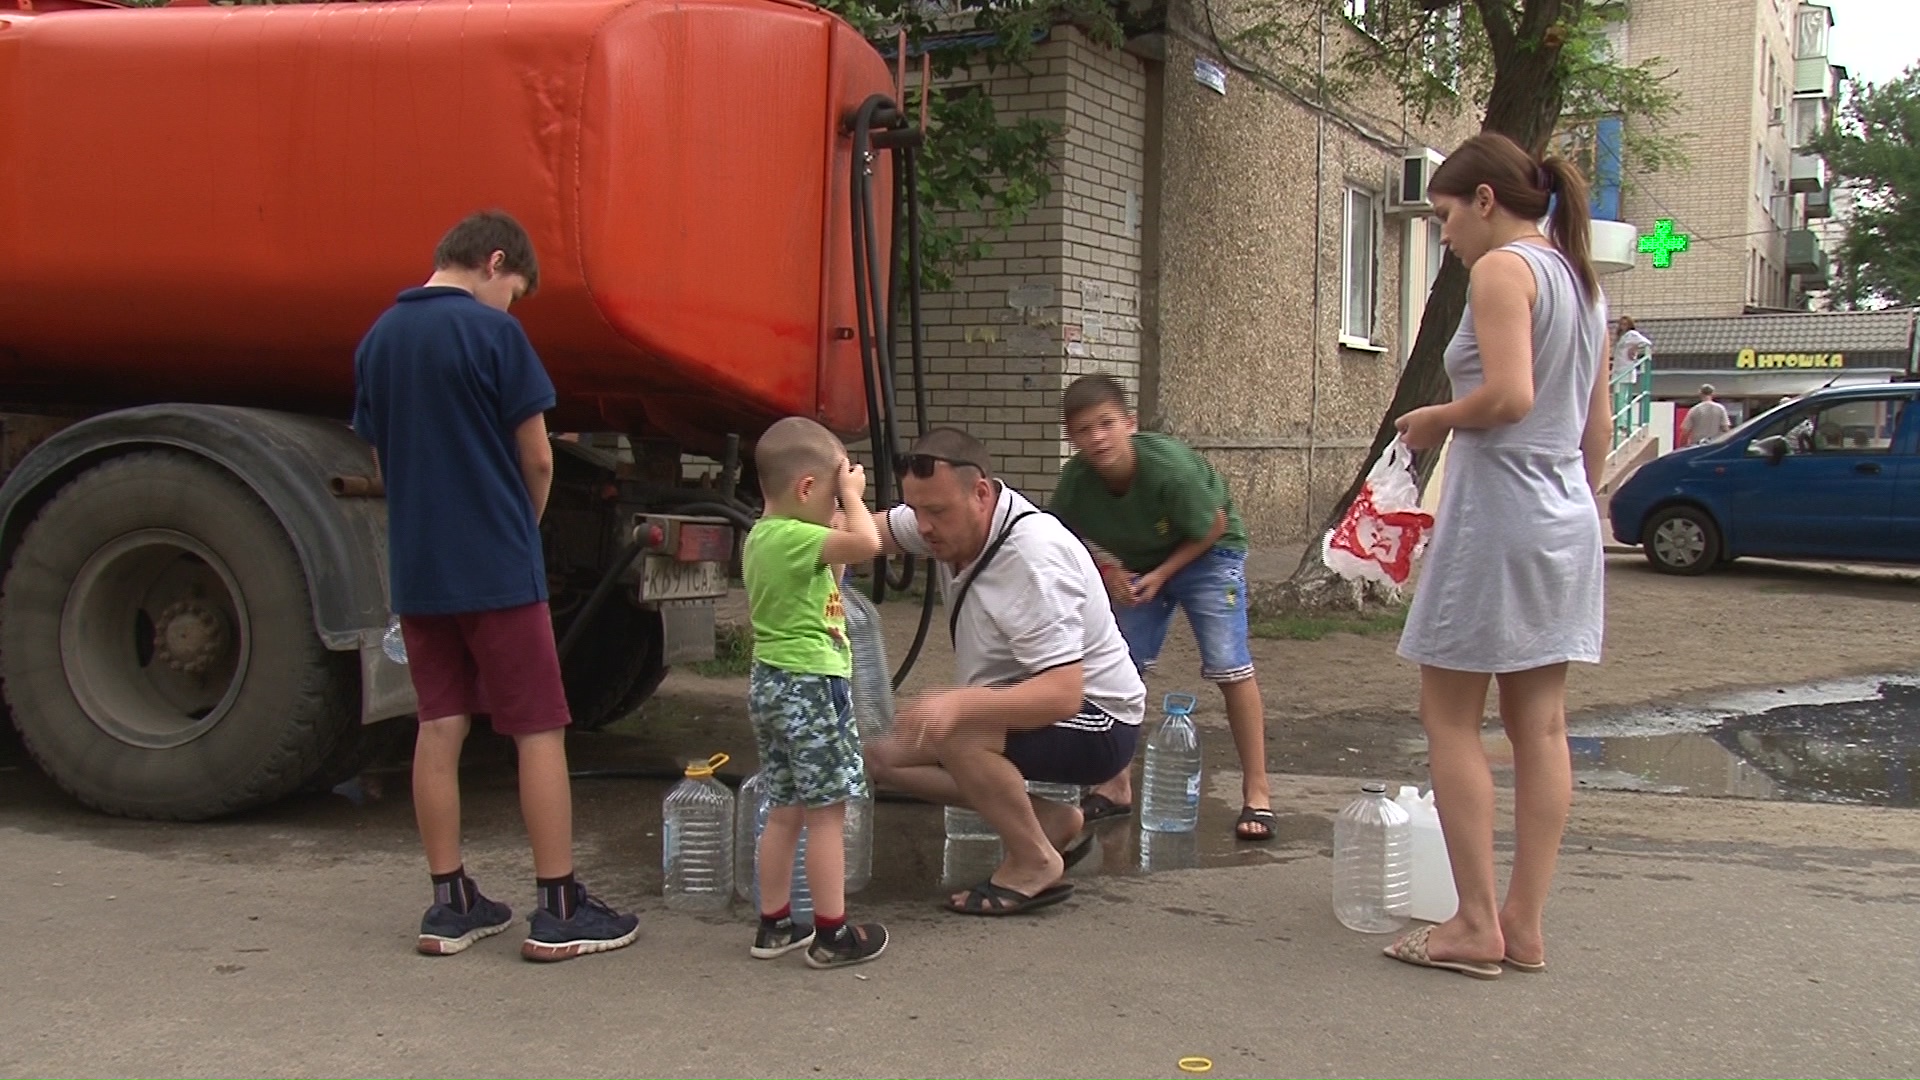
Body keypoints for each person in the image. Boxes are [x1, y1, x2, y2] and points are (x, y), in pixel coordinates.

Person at [352, 210, 639, 961]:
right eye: (514, 289)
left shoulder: (377, 340)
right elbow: (538, 459)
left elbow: (383, 467)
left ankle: (449, 904)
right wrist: (523, 525)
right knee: (537, 727)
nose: (513, 305)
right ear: (495, 260)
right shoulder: (493, 335)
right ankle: (559, 906)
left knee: (439, 723)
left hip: (419, 569)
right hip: (496, 567)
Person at [1385, 134, 1610, 979]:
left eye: (1445, 215)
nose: (1444, 234)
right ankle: (1524, 924)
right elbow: (1596, 430)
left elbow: (1510, 396)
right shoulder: (1582, 281)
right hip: (1564, 518)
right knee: (1541, 725)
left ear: (1484, 200)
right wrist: (1575, 507)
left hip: (1500, 517)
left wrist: (1436, 416)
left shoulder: (1503, 270)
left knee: (1450, 717)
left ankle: (1473, 925)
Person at [866, 427, 1147, 915]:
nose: (924, 527)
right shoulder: (950, 516)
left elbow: (1063, 694)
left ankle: (1034, 859)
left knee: (960, 734)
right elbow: (870, 532)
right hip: (1034, 706)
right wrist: (804, 530)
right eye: (917, 511)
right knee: (882, 757)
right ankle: (1050, 822)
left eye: (936, 512)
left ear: (981, 493)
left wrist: (960, 703)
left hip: (1101, 721)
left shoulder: (1033, 558)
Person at [1049, 373, 1275, 842]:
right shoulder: (1076, 483)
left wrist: (1161, 576)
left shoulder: (1168, 468)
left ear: (1129, 423)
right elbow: (1056, 542)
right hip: (1140, 564)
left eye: (1107, 423)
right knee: (1118, 668)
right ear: (1071, 437)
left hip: (1209, 552)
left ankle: (1258, 793)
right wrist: (1110, 576)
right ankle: (1114, 786)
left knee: (1228, 664)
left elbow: (1210, 526)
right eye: (1085, 429)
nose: (1098, 437)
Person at [740, 416, 890, 968]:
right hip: (809, 686)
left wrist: (841, 506)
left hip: (772, 683)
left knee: (786, 809)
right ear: (806, 488)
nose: (837, 508)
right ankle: (833, 933)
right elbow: (868, 542)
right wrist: (854, 498)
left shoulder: (764, 538)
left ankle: (774, 924)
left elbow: (843, 560)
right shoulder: (797, 536)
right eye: (831, 496)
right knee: (827, 811)